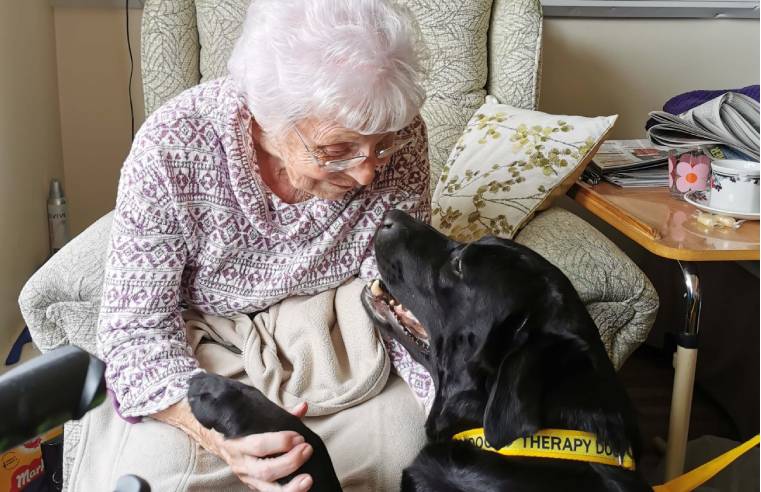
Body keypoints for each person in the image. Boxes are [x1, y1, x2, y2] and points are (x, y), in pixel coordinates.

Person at [96, 0, 432, 490]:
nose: (366, 172)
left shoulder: (397, 133)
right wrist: (217, 437)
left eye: (382, 146)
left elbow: (398, 288)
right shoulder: (172, 147)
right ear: (269, 116)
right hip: (206, 345)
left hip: (343, 337)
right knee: (166, 477)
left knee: (408, 455)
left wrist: (449, 402)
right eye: (337, 151)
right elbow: (135, 332)